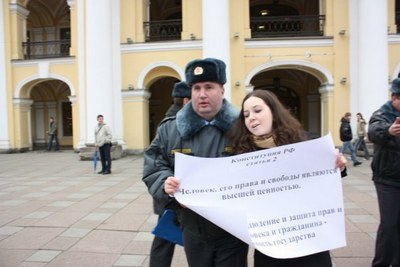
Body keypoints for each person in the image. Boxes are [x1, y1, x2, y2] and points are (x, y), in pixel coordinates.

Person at [143, 58, 249, 267]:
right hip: (192, 227)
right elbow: (154, 163)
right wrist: (165, 182)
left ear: (222, 90)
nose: (202, 94)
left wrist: (328, 161)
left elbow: (275, 154)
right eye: (196, 88)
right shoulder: (170, 129)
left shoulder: (244, 127)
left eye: (209, 87)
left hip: (232, 229)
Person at [229, 90, 347, 267]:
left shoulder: (303, 141)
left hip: (309, 238)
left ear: (274, 112)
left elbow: (324, 179)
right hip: (271, 244)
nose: (251, 118)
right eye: (246, 115)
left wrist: (339, 165)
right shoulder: (244, 153)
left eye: (257, 110)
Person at [149, 81, 191, 267]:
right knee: (189, 241)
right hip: (174, 194)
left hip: (166, 197)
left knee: (163, 241)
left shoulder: (166, 120)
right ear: (186, 100)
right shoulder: (173, 124)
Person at [368, 78, 400, 267]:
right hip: (387, 179)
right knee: (389, 225)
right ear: (395, 98)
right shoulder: (383, 114)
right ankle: (381, 263)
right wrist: (389, 131)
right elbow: (373, 131)